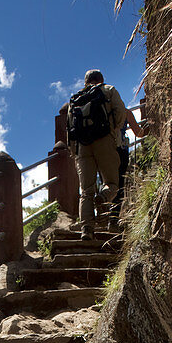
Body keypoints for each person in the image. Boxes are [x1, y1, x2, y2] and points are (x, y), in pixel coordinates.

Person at [67, 69, 142, 235]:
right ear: (101, 79)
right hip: (105, 142)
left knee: (86, 190)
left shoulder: (75, 99)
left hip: (82, 147)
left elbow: (70, 128)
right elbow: (121, 112)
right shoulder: (109, 90)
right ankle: (103, 198)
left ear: (86, 82)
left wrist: (75, 152)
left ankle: (87, 228)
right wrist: (113, 131)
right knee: (113, 183)